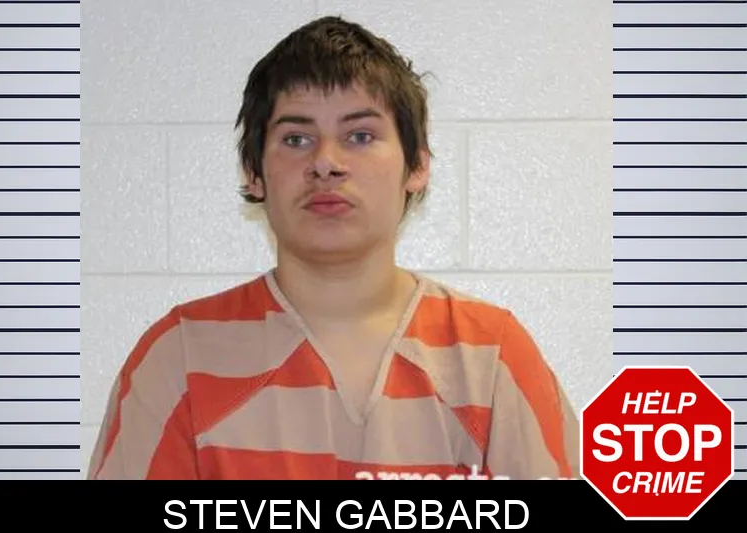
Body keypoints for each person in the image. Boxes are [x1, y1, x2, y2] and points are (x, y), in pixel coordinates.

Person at [87, 15, 579, 480]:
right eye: (296, 139)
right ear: (253, 172)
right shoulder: (178, 359)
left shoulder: (493, 359)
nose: (326, 162)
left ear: (417, 166)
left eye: (359, 135)